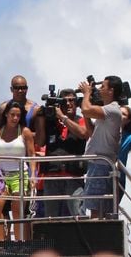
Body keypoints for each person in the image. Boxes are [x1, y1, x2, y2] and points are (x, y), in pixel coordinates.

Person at [0, 101, 36, 241]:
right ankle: (1, 242)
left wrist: (33, 175)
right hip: (0, 174)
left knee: (17, 211)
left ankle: (19, 243)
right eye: (12, 115)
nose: (15, 118)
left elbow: (31, 154)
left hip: (20, 174)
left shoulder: (25, 132)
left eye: (18, 115)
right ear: (6, 115)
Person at [38, 89, 88, 217]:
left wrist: (63, 118)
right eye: (64, 101)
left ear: (77, 103)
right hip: (52, 176)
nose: (68, 104)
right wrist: (40, 118)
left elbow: (83, 134)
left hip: (73, 176)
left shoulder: (80, 120)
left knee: (78, 215)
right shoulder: (50, 122)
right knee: (51, 218)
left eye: (72, 100)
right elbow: (40, 141)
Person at [79, 76, 123, 219]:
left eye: (102, 86)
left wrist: (86, 94)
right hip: (98, 164)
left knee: (95, 208)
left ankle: (95, 237)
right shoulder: (107, 111)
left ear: (111, 91)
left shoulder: (112, 110)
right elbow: (91, 132)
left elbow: (87, 110)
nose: (99, 89)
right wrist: (85, 109)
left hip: (101, 165)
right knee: (97, 206)